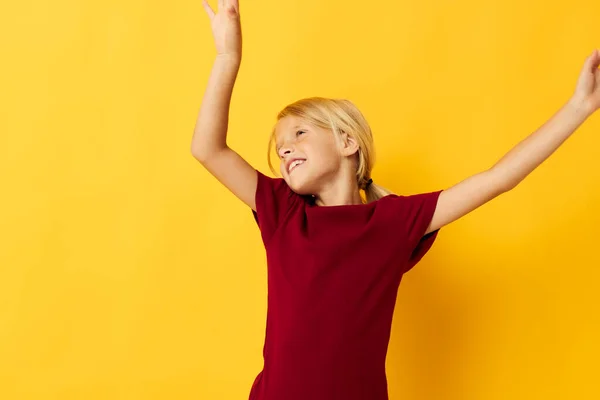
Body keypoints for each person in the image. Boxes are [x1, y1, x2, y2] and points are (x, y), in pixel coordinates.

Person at [192, 1, 600, 399]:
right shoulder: (282, 212)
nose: (284, 150)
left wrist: (580, 106)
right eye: (279, 148)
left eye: (299, 134)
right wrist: (228, 56)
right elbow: (208, 149)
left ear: (347, 142)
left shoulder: (395, 221)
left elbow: (498, 179)